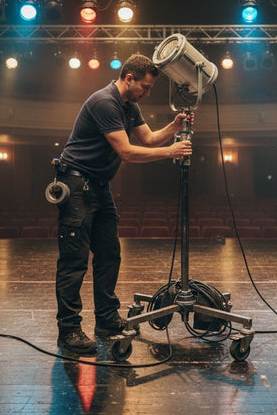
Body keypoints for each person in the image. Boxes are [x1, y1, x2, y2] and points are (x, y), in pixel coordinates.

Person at [53, 53, 193, 354]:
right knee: (74, 262)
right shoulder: (105, 102)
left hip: (98, 187)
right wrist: (173, 152)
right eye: (144, 86)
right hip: (76, 185)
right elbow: (128, 152)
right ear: (128, 78)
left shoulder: (130, 105)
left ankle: (106, 320)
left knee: (109, 255)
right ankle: (68, 331)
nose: (147, 92)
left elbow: (150, 138)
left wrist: (173, 126)